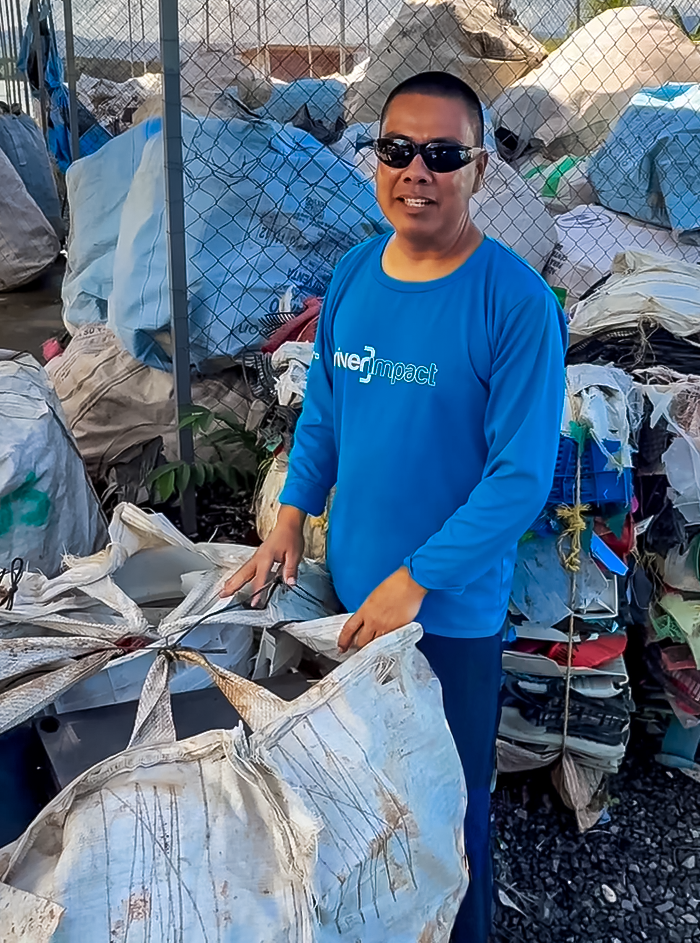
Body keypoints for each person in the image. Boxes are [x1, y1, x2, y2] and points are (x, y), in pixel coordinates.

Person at [222, 71, 567, 941]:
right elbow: (329, 412)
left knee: (447, 807)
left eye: (443, 155)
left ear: (479, 170)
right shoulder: (351, 279)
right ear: (375, 162)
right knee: (360, 794)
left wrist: (418, 580)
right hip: (350, 595)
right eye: (398, 150)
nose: (418, 171)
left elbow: (519, 478)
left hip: (446, 615)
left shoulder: (516, 304)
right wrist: (292, 518)